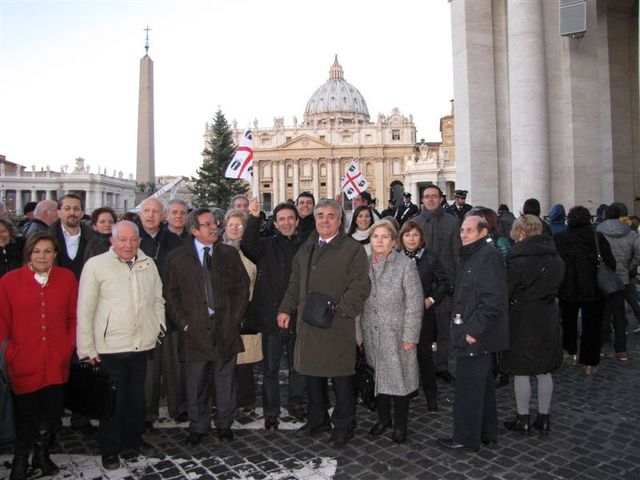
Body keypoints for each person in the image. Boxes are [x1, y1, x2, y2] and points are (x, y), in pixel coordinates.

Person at [278, 199, 371, 448]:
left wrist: (340, 311)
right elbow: (295, 282)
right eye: (320, 215)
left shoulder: (352, 249)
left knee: (341, 380)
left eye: (331, 216)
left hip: (337, 325)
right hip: (308, 326)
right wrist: (286, 308)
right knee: (312, 375)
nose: (324, 220)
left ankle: (344, 425)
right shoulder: (307, 247)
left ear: (339, 221)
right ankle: (317, 419)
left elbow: (360, 286)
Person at [77, 220, 165, 470]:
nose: (128, 244)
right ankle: (110, 447)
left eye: (133, 240)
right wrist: (87, 349)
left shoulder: (148, 263)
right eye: (122, 240)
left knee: (136, 398)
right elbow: (85, 309)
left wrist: (158, 326)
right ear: (112, 241)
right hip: (110, 346)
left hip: (141, 343)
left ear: (139, 241)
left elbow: (158, 299)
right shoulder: (96, 266)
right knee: (113, 401)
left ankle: (132, 440)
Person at [164, 208, 249, 445]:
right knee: (196, 382)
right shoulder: (177, 257)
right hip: (194, 332)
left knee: (225, 381)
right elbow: (171, 294)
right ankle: (198, 426)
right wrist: (184, 323)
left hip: (225, 328)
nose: (215, 227)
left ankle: (225, 424)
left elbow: (243, 287)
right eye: (207, 224)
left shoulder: (229, 254)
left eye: (215, 223)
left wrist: (234, 318)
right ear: (194, 230)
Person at [0, 232, 78, 480]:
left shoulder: (66, 278)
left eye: (47, 251)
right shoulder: (10, 281)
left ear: (55, 254)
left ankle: (42, 455)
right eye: (37, 251)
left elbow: (73, 316)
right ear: (28, 254)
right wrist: (11, 351)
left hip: (56, 360)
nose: (42, 256)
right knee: (25, 416)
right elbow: (2, 322)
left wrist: (69, 344)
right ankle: (21, 459)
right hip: (23, 360)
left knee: (51, 414)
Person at [437, 215, 508, 451]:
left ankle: (466, 437)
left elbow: (492, 299)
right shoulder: (474, 254)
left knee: (469, 388)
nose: (463, 234)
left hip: (475, 335)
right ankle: (486, 432)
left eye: (469, 230)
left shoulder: (487, 257)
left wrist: (473, 331)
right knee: (482, 386)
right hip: (471, 331)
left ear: (483, 232)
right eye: (462, 230)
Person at [241, 199, 306, 429]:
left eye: (290, 218)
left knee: (297, 365)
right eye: (281, 219)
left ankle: (297, 403)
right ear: (275, 224)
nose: (286, 223)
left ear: (297, 221)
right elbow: (247, 245)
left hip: (298, 315)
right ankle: (271, 411)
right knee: (270, 368)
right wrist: (254, 217)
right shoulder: (265, 246)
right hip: (271, 318)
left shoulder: (305, 246)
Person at [357, 220, 422, 444]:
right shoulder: (364, 264)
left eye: (385, 237)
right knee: (378, 378)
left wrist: (410, 336)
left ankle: (401, 425)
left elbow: (414, 303)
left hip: (397, 333)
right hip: (372, 332)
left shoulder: (405, 265)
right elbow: (357, 299)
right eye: (376, 236)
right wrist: (358, 332)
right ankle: (384, 419)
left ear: (393, 241)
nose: (380, 241)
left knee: (399, 381)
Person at [500, 215, 565, 435]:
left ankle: (523, 418)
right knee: (545, 370)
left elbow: (505, 291)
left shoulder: (516, 260)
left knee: (521, 369)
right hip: (548, 315)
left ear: (518, 233)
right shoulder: (556, 259)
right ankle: (544, 418)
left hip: (522, 317)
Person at [136, 197, 184, 429]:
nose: (150, 215)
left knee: (174, 362)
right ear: (140, 214)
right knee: (149, 367)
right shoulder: (132, 240)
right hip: (143, 311)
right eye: (146, 211)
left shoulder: (174, 240)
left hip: (171, 309)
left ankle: (178, 407)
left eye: (155, 211)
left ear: (162, 216)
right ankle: (147, 411)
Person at [554, 206, 615, 375]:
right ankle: (590, 362)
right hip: (594, 289)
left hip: (568, 288)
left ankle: (572, 353)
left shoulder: (560, 238)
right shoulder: (597, 237)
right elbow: (610, 261)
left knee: (568, 323)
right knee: (592, 326)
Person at [398, 220, 450, 412]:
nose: (411, 239)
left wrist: (430, 299)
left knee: (425, 357)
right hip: (401, 316)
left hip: (423, 315)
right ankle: (408, 391)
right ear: (401, 238)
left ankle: (431, 396)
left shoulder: (430, 257)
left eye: (415, 235)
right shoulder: (396, 258)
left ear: (421, 238)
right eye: (407, 235)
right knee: (404, 356)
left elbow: (444, 282)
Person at [414, 184, 461, 383]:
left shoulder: (452, 222)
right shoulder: (414, 223)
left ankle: (441, 365)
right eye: (427, 197)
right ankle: (420, 367)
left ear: (441, 199)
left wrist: (456, 281)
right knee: (420, 330)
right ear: (422, 200)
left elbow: (457, 254)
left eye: (435, 196)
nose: (431, 200)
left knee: (443, 330)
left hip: (446, 284)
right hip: (421, 285)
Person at [222, 209, 258, 413]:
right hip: (223, 313)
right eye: (232, 225)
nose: (235, 229)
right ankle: (226, 397)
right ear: (225, 227)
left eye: (240, 225)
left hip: (245, 311)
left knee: (245, 361)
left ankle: (246, 397)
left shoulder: (251, 251)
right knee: (224, 360)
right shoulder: (216, 250)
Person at [595, 204, 640, 361]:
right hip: (622, 276)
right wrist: (630, 266)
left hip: (604, 276)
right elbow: (638, 253)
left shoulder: (599, 231)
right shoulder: (630, 232)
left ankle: (600, 345)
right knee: (619, 314)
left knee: (603, 313)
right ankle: (621, 350)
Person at [50, 194, 94, 281]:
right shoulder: (46, 238)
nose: (72, 213)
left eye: (76, 209)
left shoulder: (95, 240)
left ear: (82, 213)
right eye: (67, 208)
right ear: (59, 212)